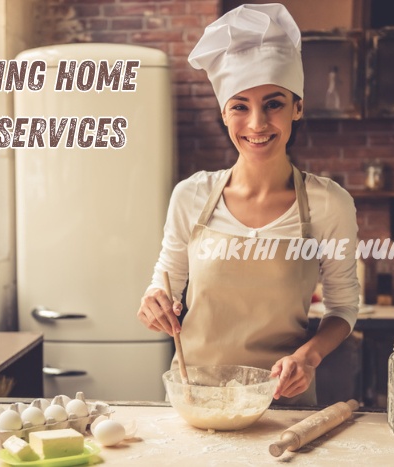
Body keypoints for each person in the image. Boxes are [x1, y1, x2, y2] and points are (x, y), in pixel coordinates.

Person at [137, 3, 359, 406]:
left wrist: (308, 357)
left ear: (298, 107)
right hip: (196, 398)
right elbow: (167, 281)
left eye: (273, 103)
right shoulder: (191, 196)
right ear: (224, 113)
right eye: (240, 106)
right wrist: (154, 301)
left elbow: (343, 308)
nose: (257, 123)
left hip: (283, 402)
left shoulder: (329, 204)